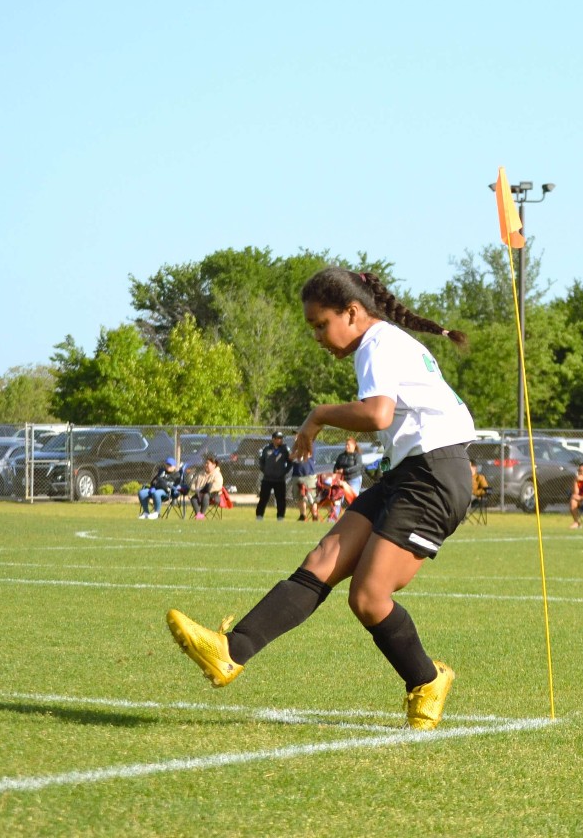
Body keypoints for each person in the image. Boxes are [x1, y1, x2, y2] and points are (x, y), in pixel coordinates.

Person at [167, 267, 476, 730]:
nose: (317, 335)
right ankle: (230, 651)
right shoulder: (381, 343)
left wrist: (317, 417)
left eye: (320, 324)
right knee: (323, 558)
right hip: (411, 472)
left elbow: (377, 414)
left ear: (352, 313)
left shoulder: (377, 344)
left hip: (434, 475)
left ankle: (427, 680)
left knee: (369, 598)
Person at [256, 431, 291, 521]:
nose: (280, 440)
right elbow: (261, 461)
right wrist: (265, 471)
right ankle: (259, 516)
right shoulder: (267, 448)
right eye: (278, 438)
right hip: (267, 479)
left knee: (281, 499)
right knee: (263, 498)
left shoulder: (285, 449)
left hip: (279, 479)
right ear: (273, 439)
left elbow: (290, 461)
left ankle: (280, 517)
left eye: (281, 438)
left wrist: (284, 471)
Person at [189, 454, 225, 519]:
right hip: (199, 494)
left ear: (214, 465)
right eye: (205, 463)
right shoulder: (200, 474)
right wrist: (196, 489)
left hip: (213, 495)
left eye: (208, 463)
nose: (205, 465)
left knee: (206, 494)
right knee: (193, 499)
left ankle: (202, 514)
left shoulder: (217, 475)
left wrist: (205, 490)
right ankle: (198, 514)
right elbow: (193, 484)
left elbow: (217, 486)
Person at [290, 454, 317, 521]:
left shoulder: (310, 444)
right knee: (300, 497)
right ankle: (303, 516)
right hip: (297, 475)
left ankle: (315, 516)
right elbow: (291, 457)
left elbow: (307, 454)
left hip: (309, 476)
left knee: (311, 497)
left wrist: (297, 454)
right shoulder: (296, 445)